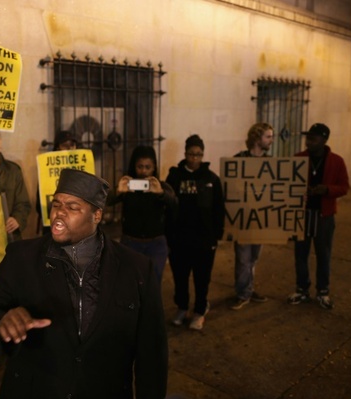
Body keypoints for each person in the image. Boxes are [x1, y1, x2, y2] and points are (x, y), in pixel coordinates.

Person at [0, 169, 168, 399]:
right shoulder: (21, 257)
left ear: (97, 215)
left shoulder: (138, 269)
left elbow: (152, 359)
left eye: (72, 207)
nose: (59, 212)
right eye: (56, 204)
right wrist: (1, 322)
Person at [166, 135, 225, 330]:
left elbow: (218, 208)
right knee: (180, 277)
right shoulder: (174, 177)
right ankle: (182, 307)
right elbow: (166, 206)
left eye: (199, 154)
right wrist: (169, 234)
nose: (195, 158)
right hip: (180, 239)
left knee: (202, 278)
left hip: (204, 240)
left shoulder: (211, 179)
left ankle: (200, 310)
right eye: (191, 154)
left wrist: (217, 235)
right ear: (185, 154)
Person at [288, 123, 349, 309]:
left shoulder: (336, 161)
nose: (308, 142)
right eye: (308, 138)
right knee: (301, 253)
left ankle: (323, 291)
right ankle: (302, 289)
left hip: (324, 215)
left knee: (323, 254)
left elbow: (344, 187)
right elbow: (287, 183)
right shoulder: (299, 158)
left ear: (324, 140)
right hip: (303, 214)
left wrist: (327, 189)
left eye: (313, 139)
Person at [109, 145, 176, 284]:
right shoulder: (127, 187)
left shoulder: (161, 187)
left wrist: (161, 194)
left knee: (153, 284)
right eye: (140, 166)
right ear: (134, 166)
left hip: (156, 245)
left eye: (148, 167)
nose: (144, 171)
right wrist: (118, 192)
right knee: (131, 284)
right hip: (131, 243)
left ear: (154, 167)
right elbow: (105, 201)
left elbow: (175, 204)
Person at [231, 123, 274, 310]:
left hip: (261, 219)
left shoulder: (272, 163)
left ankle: (248, 288)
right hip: (242, 219)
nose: (271, 140)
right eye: (268, 137)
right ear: (257, 139)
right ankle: (243, 293)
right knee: (243, 258)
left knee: (253, 258)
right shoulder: (238, 160)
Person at [36, 130, 79, 235]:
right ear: (57, 148)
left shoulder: (82, 170)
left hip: (75, 228)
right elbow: (39, 206)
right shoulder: (46, 172)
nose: (70, 149)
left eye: (72, 145)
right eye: (65, 145)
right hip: (54, 228)